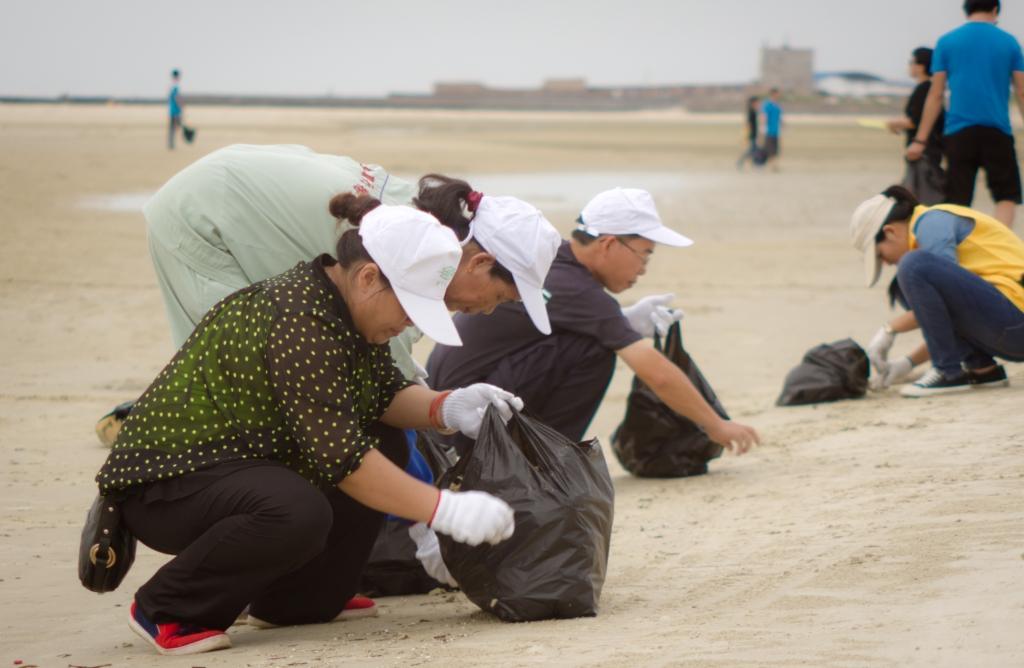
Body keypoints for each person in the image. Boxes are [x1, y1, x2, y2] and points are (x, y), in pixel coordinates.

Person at [96, 201, 527, 656]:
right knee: (295, 509)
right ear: (368, 278)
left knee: (385, 441)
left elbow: (382, 398)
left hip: (244, 466)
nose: (411, 323)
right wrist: (444, 510)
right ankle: (167, 607)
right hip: (167, 484)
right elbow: (344, 461)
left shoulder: (345, 310)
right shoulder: (299, 318)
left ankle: (296, 601)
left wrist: (448, 405)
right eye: (410, 308)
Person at [95, 144, 561, 444]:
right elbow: (387, 393)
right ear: (479, 263)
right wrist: (431, 520)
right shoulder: (411, 249)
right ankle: (148, 432)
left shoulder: (425, 229)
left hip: (239, 183)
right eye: (499, 299)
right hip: (205, 217)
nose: (483, 312)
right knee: (240, 379)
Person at [426, 187, 760, 455]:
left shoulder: (549, 259)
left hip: (445, 410)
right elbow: (655, 373)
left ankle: (539, 453)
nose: (644, 268)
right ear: (609, 243)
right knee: (595, 348)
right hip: (460, 421)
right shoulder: (576, 287)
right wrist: (716, 426)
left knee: (592, 338)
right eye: (644, 254)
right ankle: (546, 459)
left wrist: (621, 319)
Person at [850, 185, 1024, 397]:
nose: (885, 263)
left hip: (1017, 320)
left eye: (880, 255)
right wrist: (907, 363)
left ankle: (947, 372)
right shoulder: (924, 232)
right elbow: (947, 312)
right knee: (905, 285)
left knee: (913, 266)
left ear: (890, 231)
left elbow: (945, 303)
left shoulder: (932, 222)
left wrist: (889, 329)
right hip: (1011, 330)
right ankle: (983, 370)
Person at [906, 0, 1024, 227]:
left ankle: (957, 251)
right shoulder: (1009, 43)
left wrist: (920, 140)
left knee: (958, 200)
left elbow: (936, 94)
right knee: (1006, 196)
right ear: (995, 10)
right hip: (997, 130)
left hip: (959, 132)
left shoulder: (947, 42)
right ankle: (999, 249)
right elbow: (1021, 90)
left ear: (967, 10)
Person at [887, 47, 947, 205]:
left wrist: (895, 123)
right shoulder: (928, 88)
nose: (909, 66)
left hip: (924, 152)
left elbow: (915, 120)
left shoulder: (925, 89)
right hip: (928, 150)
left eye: (911, 62)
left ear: (920, 66)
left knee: (921, 195)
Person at [736, 95, 762, 170]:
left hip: (754, 134)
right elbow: (748, 124)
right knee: (752, 150)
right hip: (752, 134)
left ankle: (755, 164)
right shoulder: (751, 112)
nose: (758, 104)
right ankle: (754, 164)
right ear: (753, 103)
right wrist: (747, 135)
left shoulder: (754, 111)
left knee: (754, 150)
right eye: (757, 102)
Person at [762, 88, 783, 171]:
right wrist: (763, 127)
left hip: (776, 130)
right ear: (772, 94)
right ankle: (773, 166)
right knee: (770, 149)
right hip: (769, 130)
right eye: (777, 94)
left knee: (775, 149)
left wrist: (782, 124)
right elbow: (764, 116)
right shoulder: (767, 105)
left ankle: (773, 165)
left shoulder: (777, 105)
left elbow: (779, 117)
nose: (778, 95)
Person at [167, 69, 183, 150]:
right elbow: (177, 98)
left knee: (172, 127)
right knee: (174, 127)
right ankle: (171, 144)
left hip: (172, 110)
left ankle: (171, 143)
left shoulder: (171, 86)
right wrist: (181, 106)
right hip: (175, 111)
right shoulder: (175, 86)